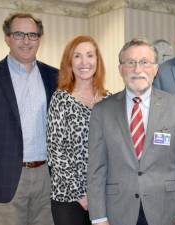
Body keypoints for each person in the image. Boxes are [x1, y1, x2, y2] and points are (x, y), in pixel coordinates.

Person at [87, 38, 175, 225]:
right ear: (121, 69)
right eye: (130, 63)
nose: (138, 70)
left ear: (156, 69)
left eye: (145, 62)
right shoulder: (101, 111)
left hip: (166, 210)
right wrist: (98, 217)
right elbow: (96, 170)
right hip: (118, 212)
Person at [0, 13, 57, 225]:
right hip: (6, 177)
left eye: (32, 35)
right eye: (19, 34)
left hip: (48, 177)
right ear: (7, 38)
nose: (26, 41)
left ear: (39, 39)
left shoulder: (55, 77)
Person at [47, 35, 110, 225]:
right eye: (77, 56)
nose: (84, 62)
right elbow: (56, 153)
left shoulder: (110, 100)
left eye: (90, 55)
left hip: (104, 193)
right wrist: (81, 193)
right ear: (69, 62)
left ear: (97, 61)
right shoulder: (61, 99)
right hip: (69, 197)